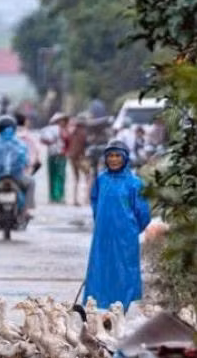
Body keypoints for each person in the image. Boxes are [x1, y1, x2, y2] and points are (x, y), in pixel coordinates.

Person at [84, 141, 151, 311]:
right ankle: (102, 309)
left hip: (126, 236)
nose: (114, 159)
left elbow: (143, 212)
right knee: (102, 269)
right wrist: (101, 222)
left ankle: (121, 309)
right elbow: (95, 202)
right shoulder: (101, 179)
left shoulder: (134, 183)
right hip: (103, 234)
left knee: (124, 272)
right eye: (110, 156)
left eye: (117, 156)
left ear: (125, 158)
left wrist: (132, 229)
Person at [41, 112, 69, 203]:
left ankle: (58, 196)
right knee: (54, 176)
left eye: (63, 120)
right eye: (60, 120)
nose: (62, 122)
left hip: (60, 156)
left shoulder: (64, 131)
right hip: (54, 155)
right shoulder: (56, 130)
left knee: (59, 176)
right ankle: (54, 197)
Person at [68, 114, 91, 206]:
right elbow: (85, 146)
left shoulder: (73, 133)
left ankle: (75, 199)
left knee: (76, 178)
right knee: (88, 176)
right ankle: (86, 199)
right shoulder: (83, 133)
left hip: (72, 157)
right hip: (80, 157)